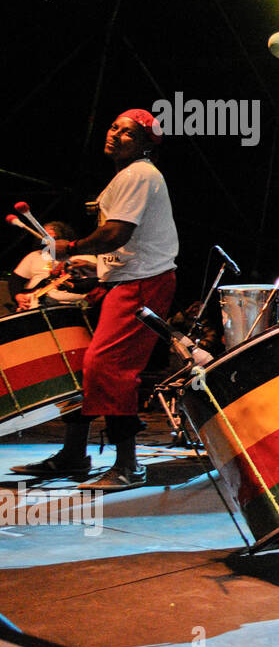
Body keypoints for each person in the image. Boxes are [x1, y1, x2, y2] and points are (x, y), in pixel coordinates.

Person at [11, 110, 178, 490]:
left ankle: (129, 465)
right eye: (114, 127)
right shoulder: (125, 176)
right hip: (124, 279)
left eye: (128, 132)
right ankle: (73, 455)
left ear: (145, 144)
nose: (115, 134)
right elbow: (123, 245)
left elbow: (116, 234)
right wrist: (97, 270)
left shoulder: (139, 173)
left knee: (107, 365)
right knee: (80, 362)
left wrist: (70, 250)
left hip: (143, 284)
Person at [10, 222, 96, 309]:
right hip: (33, 304)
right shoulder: (35, 255)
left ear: (64, 237)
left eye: (52, 236)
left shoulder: (84, 257)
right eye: (43, 235)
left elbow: (93, 283)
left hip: (72, 307)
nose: (47, 239)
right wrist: (18, 296)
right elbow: (15, 280)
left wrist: (71, 286)